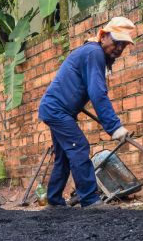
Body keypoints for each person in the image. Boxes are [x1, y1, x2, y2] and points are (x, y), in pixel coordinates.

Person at [37, 16, 135, 209]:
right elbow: (98, 93)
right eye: (117, 42)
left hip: (56, 109)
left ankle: (54, 202)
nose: (119, 49)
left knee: (65, 155)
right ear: (104, 36)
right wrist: (115, 127)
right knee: (79, 147)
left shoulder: (93, 53)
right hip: (57, 110)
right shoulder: (94, 53)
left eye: (123, 46)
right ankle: (90, 201)